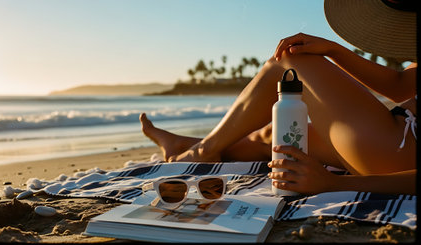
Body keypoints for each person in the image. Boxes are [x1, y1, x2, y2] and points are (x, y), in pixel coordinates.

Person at [139, 0, 417, 195]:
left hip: (395, 150)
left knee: (287, 62)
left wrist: (333, 184)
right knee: (277, 135)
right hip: (393, 141)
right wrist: (334, 50)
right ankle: (188, 146)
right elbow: (401, 86)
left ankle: (201, 152)